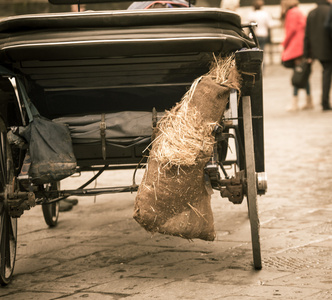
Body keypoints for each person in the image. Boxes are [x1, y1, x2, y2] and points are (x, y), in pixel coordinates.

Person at [280, 0, 313, 111]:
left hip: (296, 48)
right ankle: (309, 101)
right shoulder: (298, 11)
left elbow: (291, 30)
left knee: (297, 75)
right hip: (302, 47)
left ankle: (295, 103)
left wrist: (284, 44)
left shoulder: (292, 13)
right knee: (303, 74)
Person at [304, 0, 332, 111]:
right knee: (327, 73)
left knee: (326, 73)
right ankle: (324, 102)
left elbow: (307, 35)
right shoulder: (329, 10)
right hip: (329, 49)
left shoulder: (311, 13)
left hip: (317, 51)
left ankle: (324, 101)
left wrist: (307, 54)